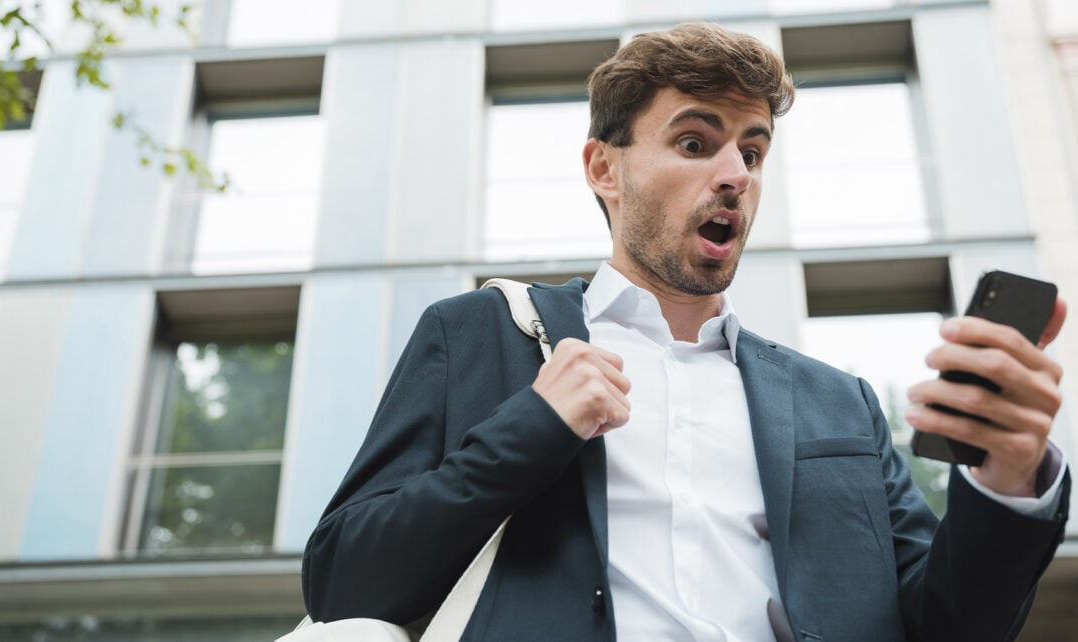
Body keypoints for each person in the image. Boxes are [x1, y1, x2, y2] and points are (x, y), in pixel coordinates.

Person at [302, 21, 1070, 641]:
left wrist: (1006, 482)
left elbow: (951, 624)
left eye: (754, 150)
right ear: (605, 168)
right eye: (696, 143)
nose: (736, 172)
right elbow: (344, 584)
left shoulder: (840, 403)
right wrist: (530, 428)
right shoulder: (482, 334)